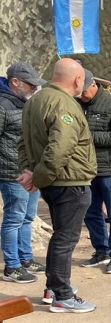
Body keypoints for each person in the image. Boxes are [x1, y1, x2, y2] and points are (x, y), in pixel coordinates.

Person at [18, 58, 97, 313]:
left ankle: (53, 288)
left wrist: (31, 172)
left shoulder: (35, 101)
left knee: (60, 236)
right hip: (69, 181)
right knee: (66, 238)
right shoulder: (64, 104)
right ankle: (62, 294)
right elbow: (59, 149)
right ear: (77, 80)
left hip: (55, 181)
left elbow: (23, 142)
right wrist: (37, 177)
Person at [77, 69, 111, 274]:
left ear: (93, 85)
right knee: (91, 213)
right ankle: (101, 250)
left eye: (84, 91)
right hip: (87, 170)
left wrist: (89, 137)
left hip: (110, 169)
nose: (81, 95)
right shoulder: (78, 104)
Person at [0, 62, 46, 284]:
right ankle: (12, 266)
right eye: (30, 85)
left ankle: (26, 259)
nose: (34, 88)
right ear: (15, 82)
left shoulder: (24, 103)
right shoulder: (2, 104)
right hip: (12, 174)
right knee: (14, 219)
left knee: (27, 217)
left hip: (32, 172)